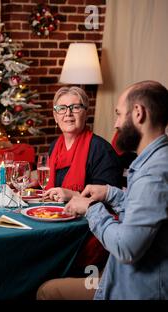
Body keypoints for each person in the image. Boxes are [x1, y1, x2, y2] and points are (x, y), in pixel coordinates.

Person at [37, 80, 168, 300]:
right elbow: (143, 206)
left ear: (138, 113)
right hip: (121, 275)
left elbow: (126, 248)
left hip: (131, 288)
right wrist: (111, 193)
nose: (116, 124)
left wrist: (90, 206)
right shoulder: (150, 162)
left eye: (118, 114)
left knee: (45, 290)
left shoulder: (151, 174)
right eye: (61, 109)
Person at [41, 86, 122, 202]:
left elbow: (110, 200)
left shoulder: (101, 149)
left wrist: (74, 195)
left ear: (86, 114)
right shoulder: (54, 146)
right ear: (55, 117)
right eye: (62, 108)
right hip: (55, 213)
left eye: (75, 108)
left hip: (88, 218)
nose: (68, 113)